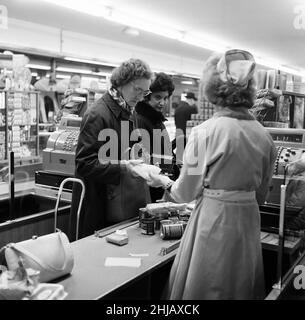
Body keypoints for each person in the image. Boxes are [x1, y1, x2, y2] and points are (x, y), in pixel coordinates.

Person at [147, 49, 277, 299]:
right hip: (248, 222)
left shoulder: (203, 132)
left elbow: (185, 192)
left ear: (213, 89)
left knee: (208, 283)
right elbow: (261, 196)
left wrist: (161, 180)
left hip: (214, 221)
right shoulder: (264, 137)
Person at [69, 58, 153, 240]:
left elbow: (130, 148)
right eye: (137, 90)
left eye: (144, 92)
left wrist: (142, 157)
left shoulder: (130, 111)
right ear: (121, 83)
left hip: (121, 205)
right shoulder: (97, 114)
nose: (140, 97)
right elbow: (84, 163)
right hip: (99, 207)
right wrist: (123, 167)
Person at [132, 72, 176, 202]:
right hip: (152, 189)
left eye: (166, 98)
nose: (162, 102)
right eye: (158, 97)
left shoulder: (156, 118)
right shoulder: (141, 120)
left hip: (162, 184)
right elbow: (143, 160)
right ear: (146, 96)